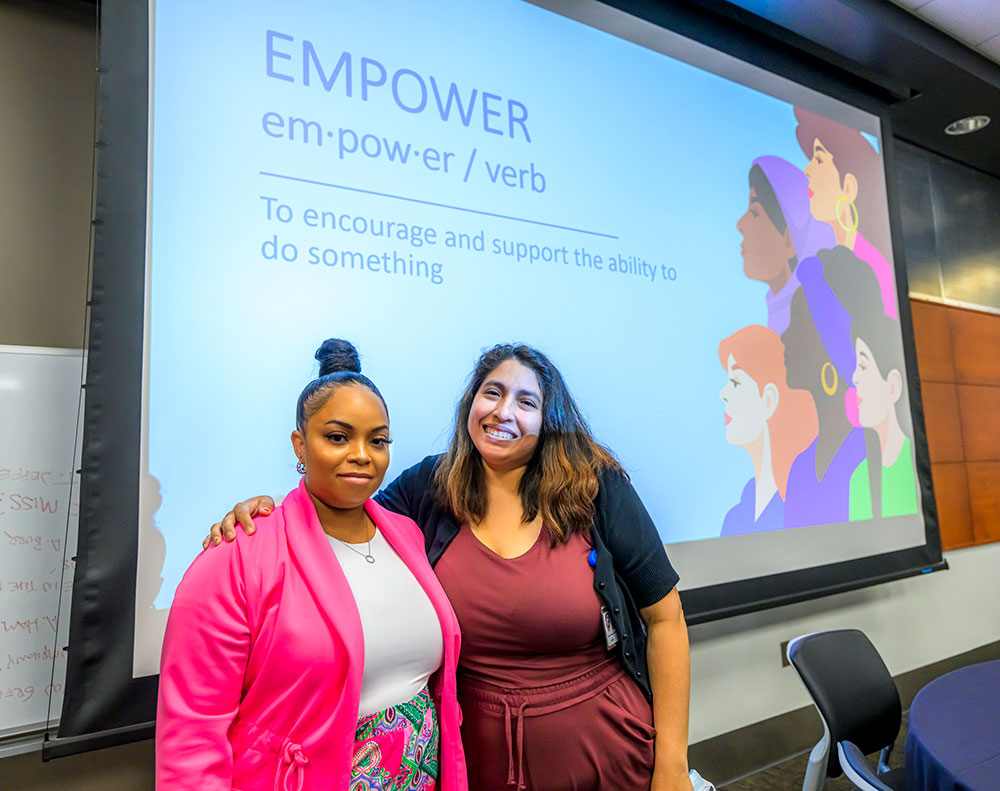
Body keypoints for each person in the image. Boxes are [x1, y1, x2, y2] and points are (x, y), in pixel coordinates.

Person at [208, 343, 693, 791]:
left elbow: (664, 619)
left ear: (549, 419)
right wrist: (267, 509)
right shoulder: (430, 487)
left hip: (605, 757)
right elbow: (341, 505)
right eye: (493, 393)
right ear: (471, 405)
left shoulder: (594, 486)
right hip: (471, 764)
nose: (504, 412)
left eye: (527, 402)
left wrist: (671, 763)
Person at [157, 339, 467, 791]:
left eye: (377, 440)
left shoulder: (408, 537)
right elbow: (192, 733)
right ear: (300, 445)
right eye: (338, 437)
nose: (362, 454)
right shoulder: (236, 555)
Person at [794, 106, 897, 319]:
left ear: (848, 188)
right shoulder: (829, 259)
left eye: (819, 160)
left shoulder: (875, 270)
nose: (807, 170)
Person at [718, 325, 818, 536]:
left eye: (735, 383)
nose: (723, 394)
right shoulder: (736, 517)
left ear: (769, 400)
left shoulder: (805, 503)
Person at [738, 156, 835, 334]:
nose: (740, 224)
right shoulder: (780, 317)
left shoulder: (811, 331)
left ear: (790, 241)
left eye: (754, 213)